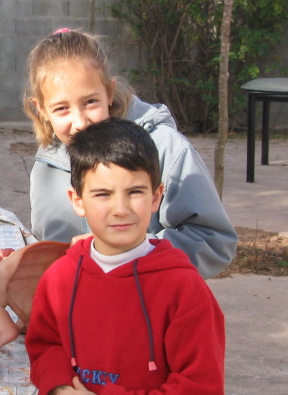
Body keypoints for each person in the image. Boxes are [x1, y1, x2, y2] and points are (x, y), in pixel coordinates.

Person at [25, 117, 225, 395]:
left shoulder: (184, 289)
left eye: (135, 192)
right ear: (77, 200)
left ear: (156, 196)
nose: (120, 209)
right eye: (103, 194)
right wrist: (57, 386)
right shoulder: (58, 278)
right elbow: (45, 344)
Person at [24, 28, 237, 281]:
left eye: (90, 102)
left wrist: (123, 256)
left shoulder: (165, 147)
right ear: (41, 109)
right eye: (62, 108)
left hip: (151, 302)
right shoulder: (47, 164)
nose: (80, 122)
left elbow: (213, 242)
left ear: (109, 92)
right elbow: (48, 249)